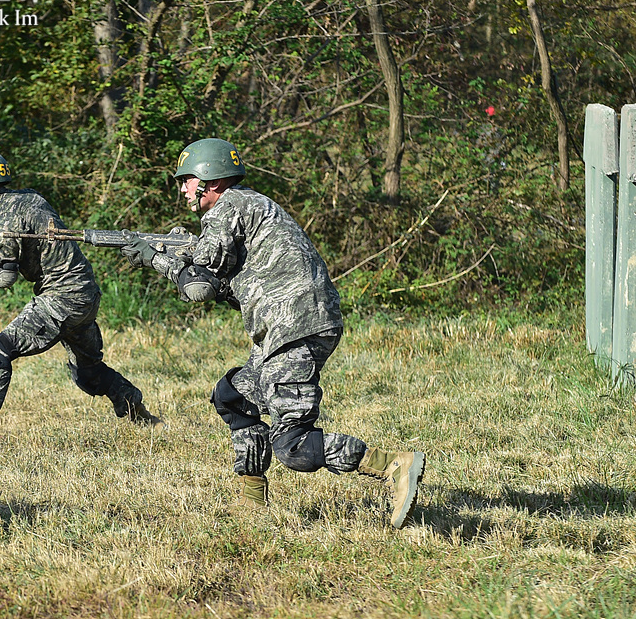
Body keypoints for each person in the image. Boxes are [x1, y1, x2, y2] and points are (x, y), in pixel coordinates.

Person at [120, 138, 424, 528]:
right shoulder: (248, 206)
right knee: (232, 397)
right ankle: (251, 502)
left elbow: (199, 286)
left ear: (209, 180)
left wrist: (152, 258)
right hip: (291, 324)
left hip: (293, 325)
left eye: (187, 180)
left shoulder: (229, 207)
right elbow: (224, 280)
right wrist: (170, 253)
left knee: (293, 445)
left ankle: (391, 465)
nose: (182, 188)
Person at [0, 150, 160, 429]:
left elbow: (4, 279)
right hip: (85, 294)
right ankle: (140, 414)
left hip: (61, 297)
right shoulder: (26, 199)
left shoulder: (7, 218)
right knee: (88, 373)